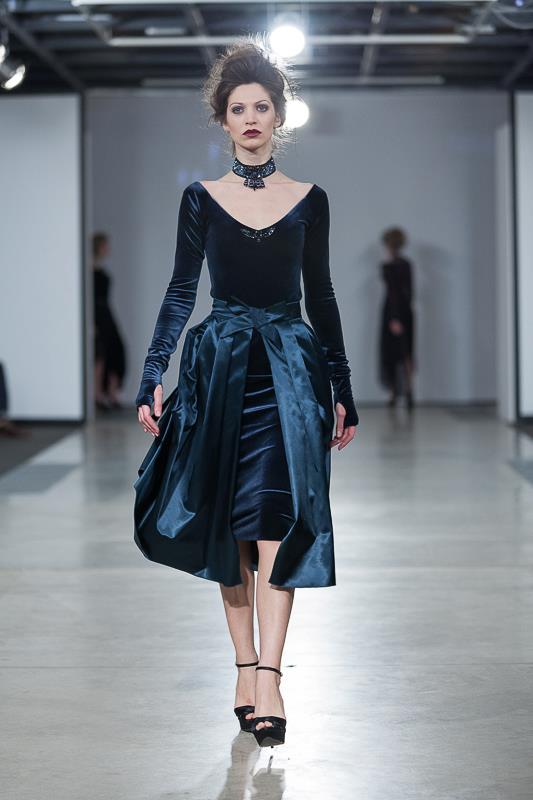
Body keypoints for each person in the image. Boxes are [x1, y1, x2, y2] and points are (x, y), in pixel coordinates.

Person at [134, 38, 359, 749]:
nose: (251, 118)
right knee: (230, 530)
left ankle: (270, 677)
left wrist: (343, 386)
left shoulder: (310, 200)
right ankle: (242, 668)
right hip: (220, 369)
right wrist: (152, 374)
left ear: (278, 116)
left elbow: (321, 295)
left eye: (262, 107)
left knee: (276, 523)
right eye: (239, 109)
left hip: (289, 373)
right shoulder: (200, 199)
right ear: (223, 119)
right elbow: (181, 291)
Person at [378, 226, 415, 410]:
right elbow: (409, 292)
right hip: (404, 310)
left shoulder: (389, 266)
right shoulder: (406, 264)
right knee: (404, 351)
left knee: (397, 352)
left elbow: (393, 293)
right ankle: (407, 391)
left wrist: (394, 317)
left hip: (393, 312)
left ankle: (399, 392)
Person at [92, 232, 127, 410]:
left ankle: (111, 393)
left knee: (116, 352)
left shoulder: (100, 270)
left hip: (107, 314)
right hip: (97, 315)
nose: (108, 249)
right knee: (99, 355)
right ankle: (97, 394)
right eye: (105, 245)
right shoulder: (88, 271)